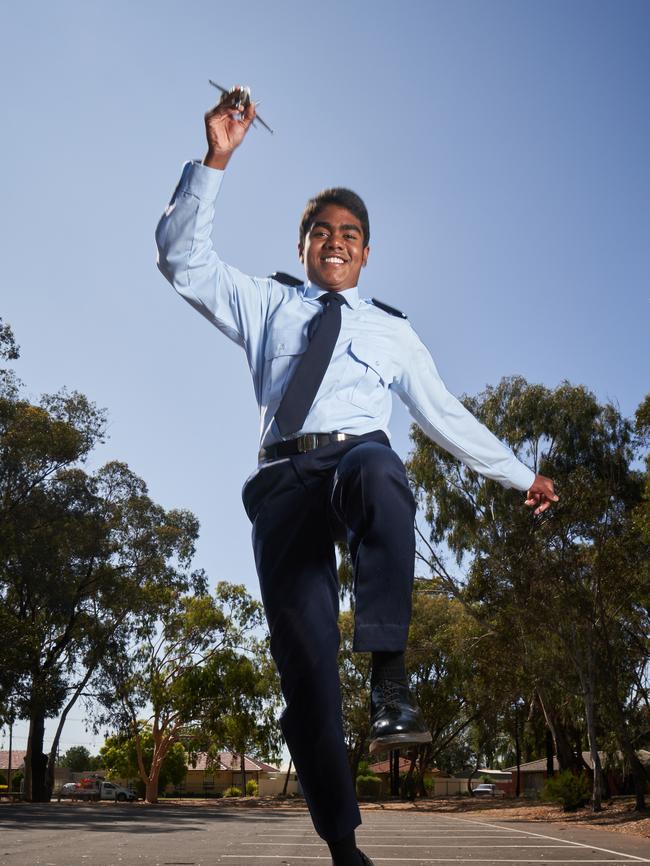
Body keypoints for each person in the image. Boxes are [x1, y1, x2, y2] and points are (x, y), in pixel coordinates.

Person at [155, 93, 558, 866]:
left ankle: (391, 680)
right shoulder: (267, 302)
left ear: (366, 252)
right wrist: (216, 157)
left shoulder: (392, 331)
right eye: (321, 232)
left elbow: (444, 415)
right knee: (306, 677)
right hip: (282, 485)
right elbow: (181, 260)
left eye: (349, 235)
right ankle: (343, 845)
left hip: (351, 463)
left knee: (382, 468)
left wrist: (518, 477)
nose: (334, 242)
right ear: (303, 244)